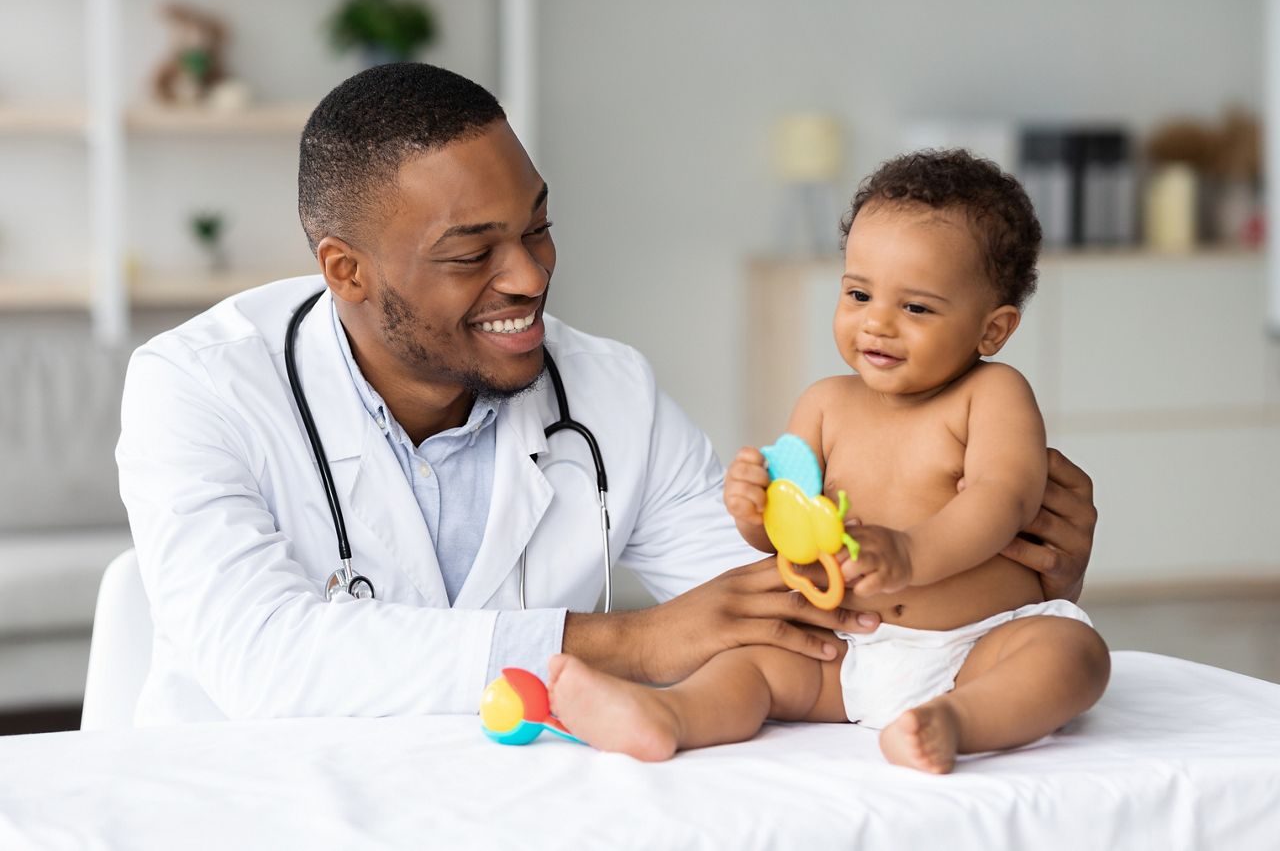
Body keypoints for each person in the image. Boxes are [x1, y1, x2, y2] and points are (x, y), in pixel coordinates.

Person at [116, 63, 1098, 725]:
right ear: (347, 269)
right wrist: (617, 640)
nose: (528, 275)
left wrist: (988, 582)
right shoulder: (196, 387)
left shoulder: (607, 392)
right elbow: (260, 656)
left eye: (536, 227)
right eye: (472, 253)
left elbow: (788, 613)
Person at [545, 150, 1110, 774]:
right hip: (849, 648)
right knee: (749, 662)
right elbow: (794, 529)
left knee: (1070, 652)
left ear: (992, 330)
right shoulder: (824, 404)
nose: (877, 323)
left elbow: (1003, 499)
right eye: (859, 293)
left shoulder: (994, 394)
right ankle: (668, 716)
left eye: (916, 307)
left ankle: (954, 720)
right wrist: (754, 513)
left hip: (974, 644)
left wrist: (910, 554)